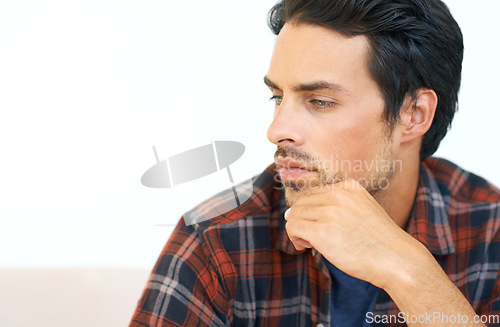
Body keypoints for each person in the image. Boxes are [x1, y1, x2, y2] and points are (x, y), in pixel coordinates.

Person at [130, 0, 500, 326]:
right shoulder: (214, 241)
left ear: (414, 115)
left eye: (320, 101)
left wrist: (412, 275)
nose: (277, 130)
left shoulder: (491, 235)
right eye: (277, 97)